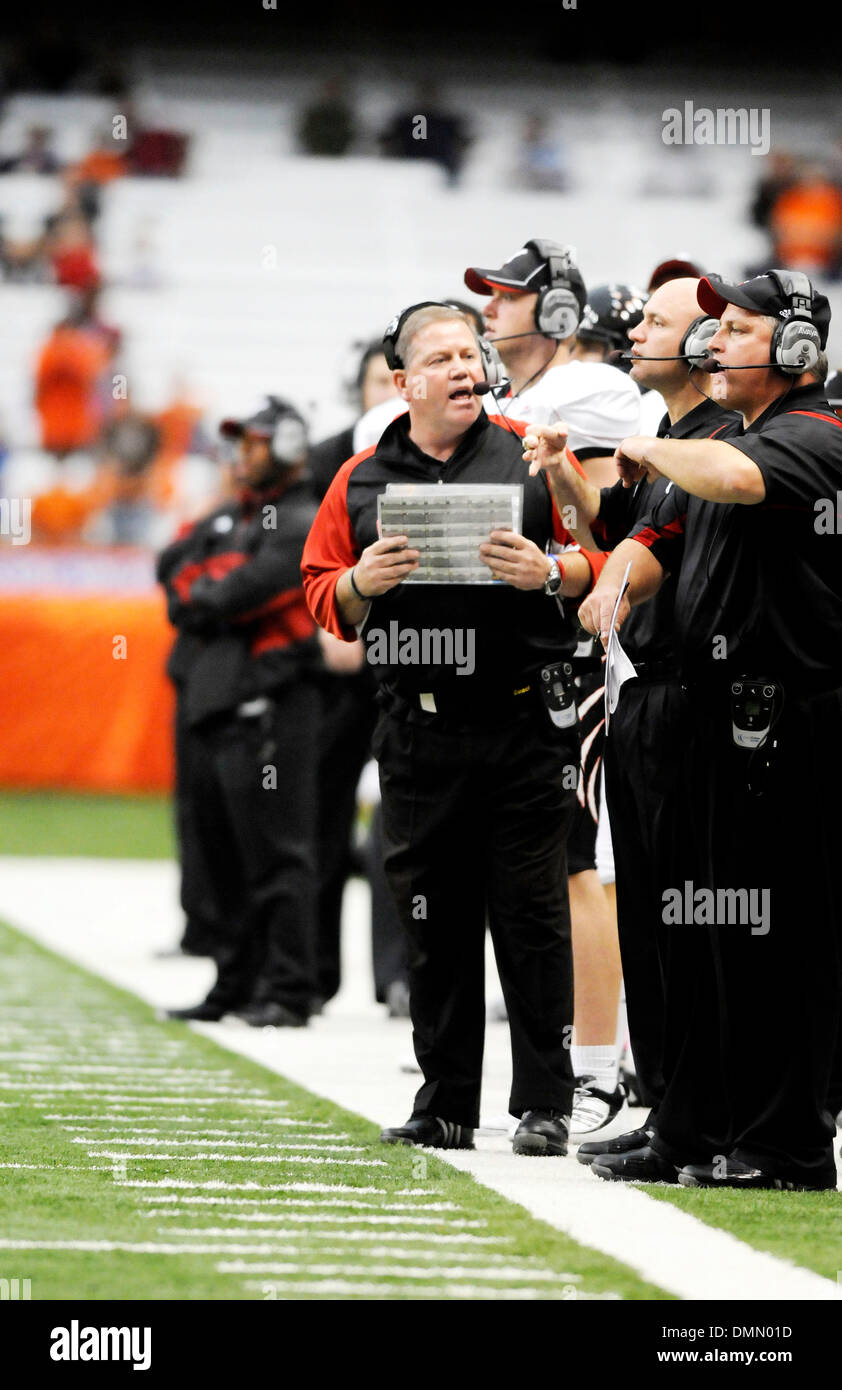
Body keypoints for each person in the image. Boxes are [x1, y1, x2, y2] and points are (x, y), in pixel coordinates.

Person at [302, 302, 605, 1154]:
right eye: (442, 357)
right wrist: (362, 584)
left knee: (531, 913)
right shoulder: (359, 475)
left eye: (471, 353)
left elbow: (609, 561)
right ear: (405, 382)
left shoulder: (534, 449)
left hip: (521, 719)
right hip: (416, 728)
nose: (465, 368)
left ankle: (546, 1103)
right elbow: (322, 592)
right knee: (430, 918)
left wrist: (550, 569)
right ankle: (444, 1102)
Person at [576, 270, 842, 1189]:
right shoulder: (751, 433)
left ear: (798, 350)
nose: (714, 344)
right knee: (722, 939)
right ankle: (719, 1127)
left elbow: (728, 478)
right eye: (715, 328)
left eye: (738, 329)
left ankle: (789, 1146)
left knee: (783, 939)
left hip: (795, 719)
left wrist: (650, 450)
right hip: (727, 718)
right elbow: (667, 537)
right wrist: (618, 564)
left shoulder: (817, 431)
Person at [523, 276, 736, 1162]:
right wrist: (568, 479)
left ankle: (709, 1119)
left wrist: (606, 572)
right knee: (651, 916)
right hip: (643, 690)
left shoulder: (715, 441)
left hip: (692, 697)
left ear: (703, 346)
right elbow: (608, 539)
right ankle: (672, 1115)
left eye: (656, 321)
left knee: (689, 924)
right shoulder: (672, 436)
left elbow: (643, 561)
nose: (634, 330)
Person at [465, 242, 642, 1136]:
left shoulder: (590, 392)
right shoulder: (526, 399)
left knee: (582, 866)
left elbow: (602, 526)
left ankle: (599, 1067)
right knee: (559, 866)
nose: (492, 311)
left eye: (506, 296)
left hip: (583, 659)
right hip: (536, 659)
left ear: (562, 315)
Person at [159, 396, 322, 1029]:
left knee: (278, 850)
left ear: (284, 446)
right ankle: (235, 981)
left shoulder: (302, 517)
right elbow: (172, 570)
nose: (242, 454)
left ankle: (287, 988)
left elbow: (236, 590)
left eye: (254, 442)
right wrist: (216, 583)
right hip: (220, 704)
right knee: (220, 850)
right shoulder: (234, 516)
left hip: (273, 705)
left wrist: (213, 583)